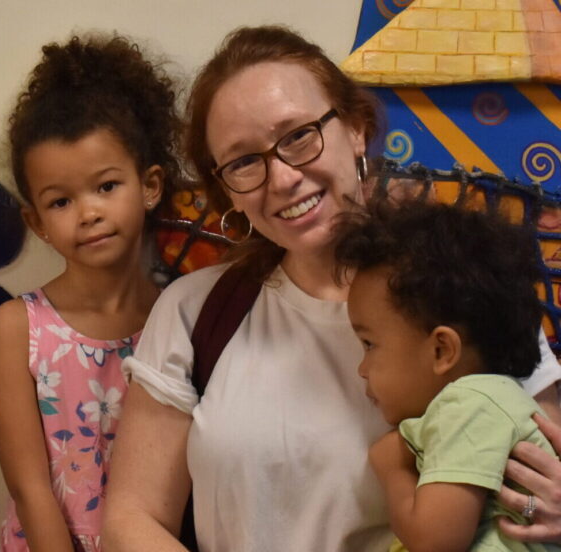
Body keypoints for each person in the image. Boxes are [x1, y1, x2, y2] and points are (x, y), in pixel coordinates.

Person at [102, 25, 561, 551]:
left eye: (298, 135)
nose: (281, 178)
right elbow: (130, 521)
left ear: (356, 128)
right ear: (225, 187)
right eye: (244, 161)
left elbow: (543, 474)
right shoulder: (195, 310)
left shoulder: (467, 287)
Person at [0, 34, 181, 551]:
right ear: (37, 221)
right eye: (61, 200)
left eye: (107, 186)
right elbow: (29, 488)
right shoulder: (17, 328)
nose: (89, 212)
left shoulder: (181, 317)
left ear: (151, 185)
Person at [336, 199, 560, 551]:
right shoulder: (487, 401)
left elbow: (435, 542)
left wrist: (393, 469)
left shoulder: (470, 405)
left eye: (369, 344)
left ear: (442, 350)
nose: (362, 369)